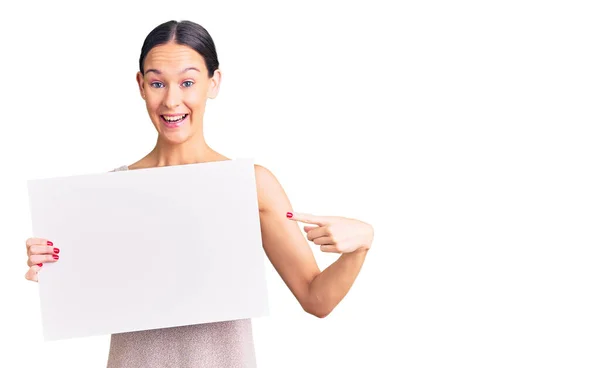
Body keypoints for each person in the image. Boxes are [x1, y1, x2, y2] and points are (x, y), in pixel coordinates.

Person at [24, 20, 374, 368]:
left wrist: (360, 244)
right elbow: (86, 300)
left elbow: (316, 299)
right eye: (157, 82)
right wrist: (52, 267)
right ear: (141, 86)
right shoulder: (108, 193)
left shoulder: (249, 184)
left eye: (187, 82)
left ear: (213, 83)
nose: (171, 100)